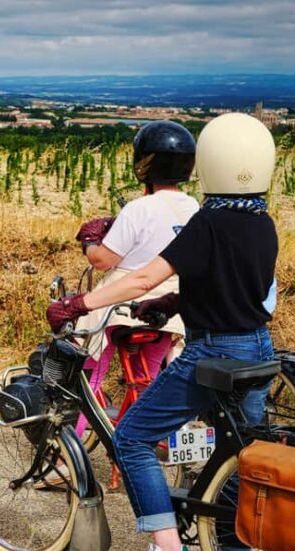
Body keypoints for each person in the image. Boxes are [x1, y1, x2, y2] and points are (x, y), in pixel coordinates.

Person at [47, 113, 278, 551]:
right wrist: (175, 302)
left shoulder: (209, 221)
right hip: (258, 346)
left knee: (131, 438)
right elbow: (242, 287)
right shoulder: (263, 223)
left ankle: (166, 547)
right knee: (239, 455)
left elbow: (141, 275)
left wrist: (79, 302)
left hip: (214, 351)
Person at [74, 121, 199, 399]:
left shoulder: (138, 208)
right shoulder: (193, 206)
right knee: (150, 379)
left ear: (144, 162)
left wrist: (89, 243)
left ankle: (78, 430)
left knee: (90, 370)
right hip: (172, 307)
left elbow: (103, 260)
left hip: (123, 305)